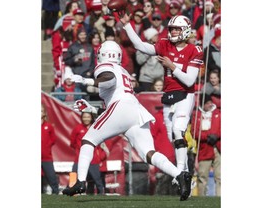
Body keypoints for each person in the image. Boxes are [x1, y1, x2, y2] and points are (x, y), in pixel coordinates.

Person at [62, 40, 192, 201]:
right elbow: (114, 114)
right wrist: (91, 109)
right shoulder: (122, 70)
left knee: (88, 140)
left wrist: (85, 80)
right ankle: (180, 174)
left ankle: (80, 182)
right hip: (134, 110)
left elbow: (109, 80)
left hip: (121, 107)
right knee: (149, 154)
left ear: (102, 54)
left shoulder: (104, 67)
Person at [119, 13, 204, 196]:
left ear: (185, 30)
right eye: (171, 28)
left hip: (185, 95)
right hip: (169, 95)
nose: (173, 31)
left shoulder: (194, 50)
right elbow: (140, 46)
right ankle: (182, 174)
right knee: (172, 137)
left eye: (177, 29)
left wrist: (172, 66)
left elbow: (189, 81)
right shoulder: (164, 44)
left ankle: (182, 173)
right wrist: (127, 26)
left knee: (178, 130)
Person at [69, 106, 106, 195]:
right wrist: (80, 150)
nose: (86, 119)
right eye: (84, 117)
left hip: (93, 160)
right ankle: (72, 194)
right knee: (74, 176)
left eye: (88, 117)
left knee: (97, 179)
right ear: (81, 117)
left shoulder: (95, 128)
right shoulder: (77, 128)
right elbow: (72, 143)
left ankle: (102, 195)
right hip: (79, 158)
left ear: (91, 117)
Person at [191, 94, 221, 196]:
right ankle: (201, 198)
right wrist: (207, 136)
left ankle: (220, 198)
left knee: (220, 176)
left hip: (218, 147)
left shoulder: (218, 113)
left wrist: (216, 136)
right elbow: (194, 132)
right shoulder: (197, 115)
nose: (209, 105)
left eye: (210, 102)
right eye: (207, 103)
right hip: (205, 148)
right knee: (202, 176)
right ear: (202, 104)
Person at [41, 104, 59, 195]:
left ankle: (56, 193)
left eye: (40, 111)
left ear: (44, 113)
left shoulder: (48, 126)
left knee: (51, 177)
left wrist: (46, 147)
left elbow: (53, 139)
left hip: (46, 157)